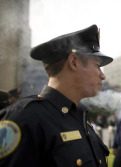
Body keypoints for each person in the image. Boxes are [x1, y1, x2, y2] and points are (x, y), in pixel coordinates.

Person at [0, 24, 113, 167]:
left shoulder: (82, 120)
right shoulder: (24, 118)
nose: (102, 76)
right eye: (97, 66)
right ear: (74, 62)